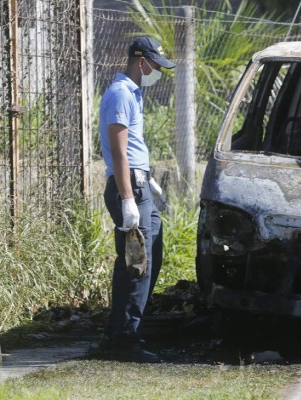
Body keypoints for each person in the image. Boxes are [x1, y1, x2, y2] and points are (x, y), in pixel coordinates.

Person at [99, 37, 175, 363]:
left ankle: (122, 329)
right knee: (136, 264)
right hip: (128, 187)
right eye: (155, 64)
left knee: (152, 250)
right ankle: (124, 341)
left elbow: (131, 150)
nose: (157, 70)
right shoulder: (120, 94)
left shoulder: (133, 94)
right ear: (140, 60)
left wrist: (147, 178)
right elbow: (118, 152)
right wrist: (129, 198)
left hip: (139, 183)